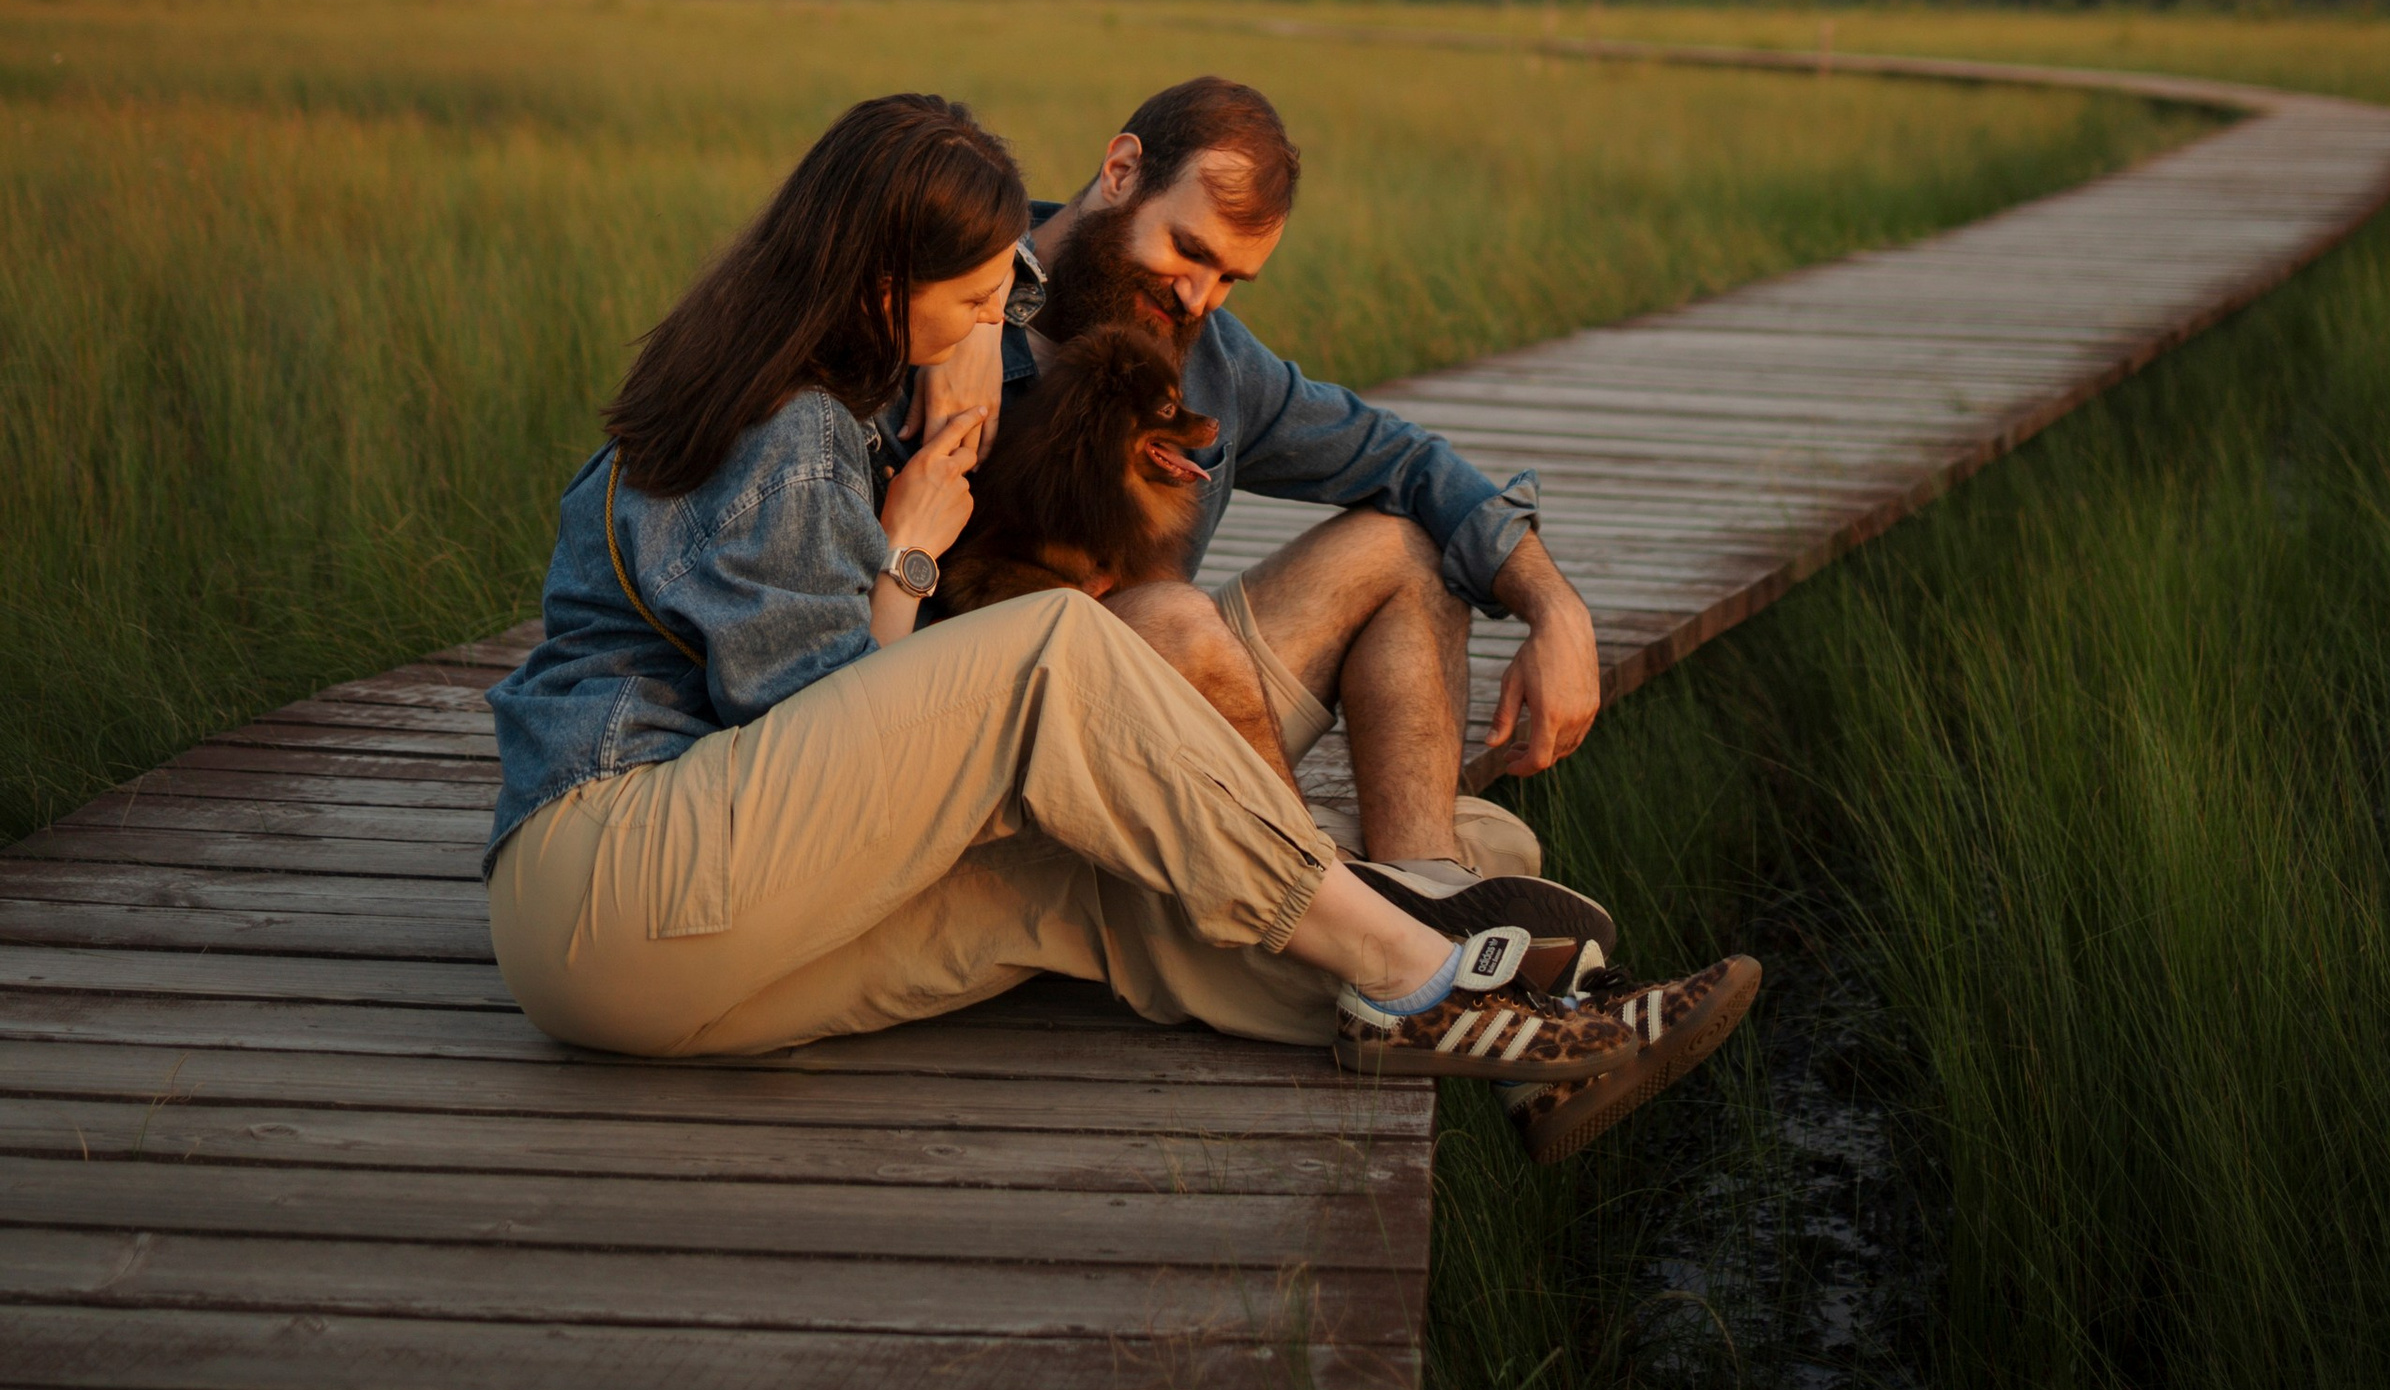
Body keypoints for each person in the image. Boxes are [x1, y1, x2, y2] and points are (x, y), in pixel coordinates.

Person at [483, 88, 1757, 1157]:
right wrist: (917, 540)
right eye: (983, 304)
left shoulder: (877, 386)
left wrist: (1549, 600)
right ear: (886, 290)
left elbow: (834, 773)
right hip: (622, 877)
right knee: (1073, 641)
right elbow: (812, 735)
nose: (996, 330)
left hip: (693, 958)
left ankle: (1528, 1036)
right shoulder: (799, 431)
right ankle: (1419, 961)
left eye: (1004, 303)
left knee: (1103, 905)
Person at [892, 74, 1617, 945]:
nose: (1199, 297)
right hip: (988, 754)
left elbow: (1407, 459)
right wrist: (983, 316)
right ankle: (1347, 912)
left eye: (1232, 277)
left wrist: (1555, 607)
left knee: (1400, 546)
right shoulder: (935, 312)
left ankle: (1427, 894)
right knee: (1171, 615)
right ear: (1122, 171)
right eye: (1189, 251)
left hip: (1162, 720)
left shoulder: (1213, 367)